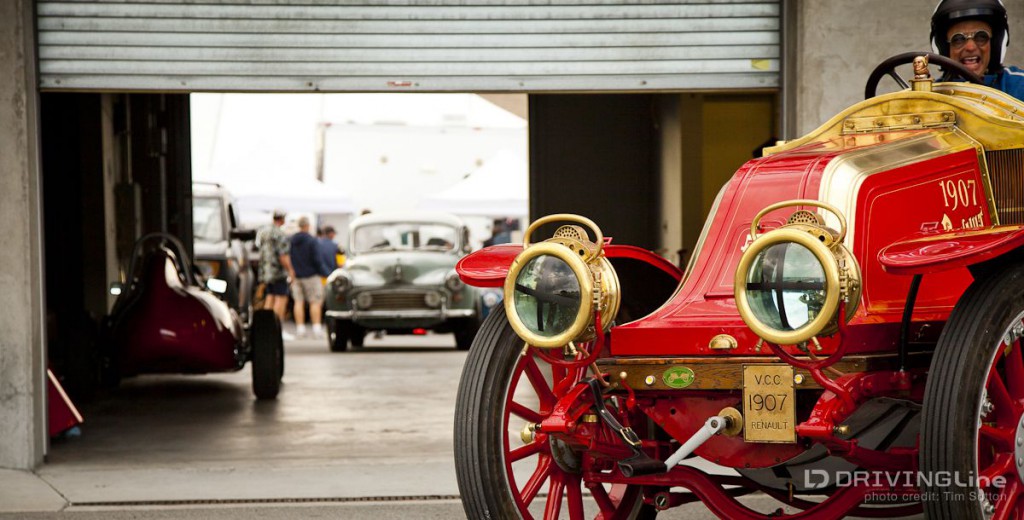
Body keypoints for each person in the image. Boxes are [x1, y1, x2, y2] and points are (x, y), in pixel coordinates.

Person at [931, 0, 1024, 100]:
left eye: (981, 37)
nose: (970, 47)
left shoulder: (1019, 86)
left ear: (995, 43)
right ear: (945, 48)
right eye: (958, 39)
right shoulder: (930, 97)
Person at [289, 216, 331, 338]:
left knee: (298, 302)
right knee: (315, 302)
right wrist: (327, 273)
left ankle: (300, 329)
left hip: (296, 276)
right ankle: (316, 328)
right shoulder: (312, 241)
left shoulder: (292, 240)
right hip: (312, 276)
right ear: (307, 226)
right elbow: (317, 260)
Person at [256, 209, 295, 325]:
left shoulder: (263, 232)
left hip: (266, 272)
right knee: (281, 298)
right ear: (282, 219)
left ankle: (266, 327)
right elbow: (283, 256)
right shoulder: (280, 234)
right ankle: (276, 327)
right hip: (278, 272)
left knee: (270, 297)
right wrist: (291, 270)